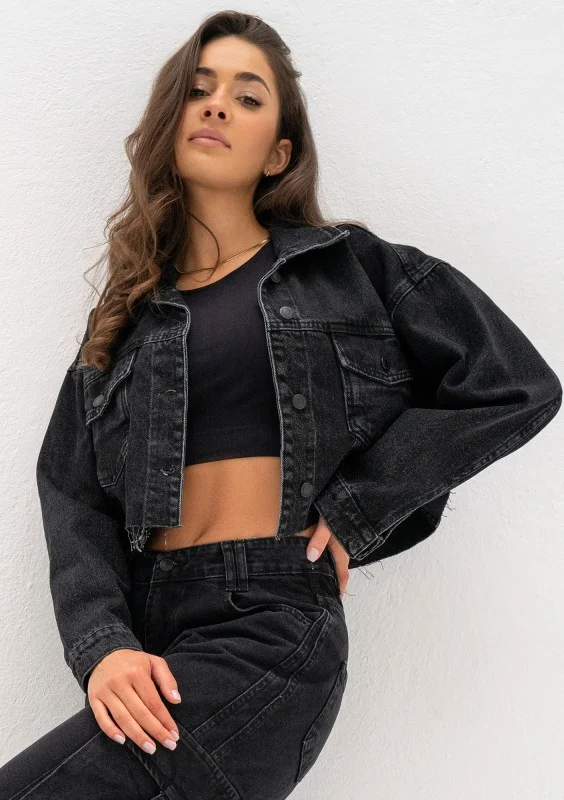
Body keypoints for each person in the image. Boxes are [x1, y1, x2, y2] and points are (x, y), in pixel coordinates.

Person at [1, 10, 561, 800]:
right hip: (153, 637)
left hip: (270, 621)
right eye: (199, 89)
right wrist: (103, 646)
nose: (217, 104)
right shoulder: (126, 319)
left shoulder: (349, 269)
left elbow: (512, 383)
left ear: (279, 152)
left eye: (248, 96)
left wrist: (362, 506)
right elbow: (71, 491)